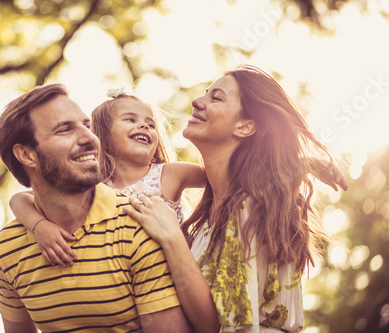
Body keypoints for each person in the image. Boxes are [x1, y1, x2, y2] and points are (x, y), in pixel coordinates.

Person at [124, 65, 348, 333]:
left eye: (215, 97)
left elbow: (216, 324)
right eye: (205, 93)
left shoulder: (252, 205)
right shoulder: (208, 217)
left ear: (244, 126)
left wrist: (171, 237)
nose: (198, 101)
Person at [0, 84, 192, 333]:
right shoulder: (4, 251)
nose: (89, 138)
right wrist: (37, 225)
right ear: (26, 155)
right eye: (65, 130)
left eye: (87, 126)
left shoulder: (142, 223)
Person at [9, 91, 207, 266]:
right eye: (130, 119)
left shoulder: (171, 174)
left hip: (176, 277)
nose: (144, 126)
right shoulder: (95, 186)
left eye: (150, 124)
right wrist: (40, 226)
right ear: (102, 134)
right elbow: (19, 199)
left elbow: (221, 177)